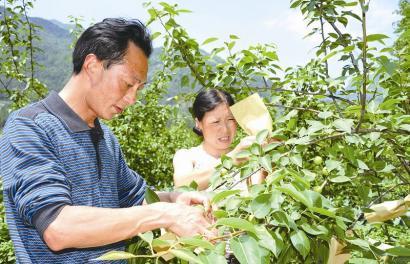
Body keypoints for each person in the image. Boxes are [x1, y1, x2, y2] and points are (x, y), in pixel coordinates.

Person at [0, 18, 213, 263]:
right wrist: (165, 214)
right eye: (127, 84)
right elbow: (58, 228)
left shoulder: (106, 139)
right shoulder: (29, 126)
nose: (133, 99)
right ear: (92, 66)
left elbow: (136, 198)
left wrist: (175, 199)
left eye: (139, 89)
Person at [173, 89, 265, 191]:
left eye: (230, 119)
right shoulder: (187, 156)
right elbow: (182, 186)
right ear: (198, 123)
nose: (225, 129)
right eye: (216, 122)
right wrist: (232, 160)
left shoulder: (247, 156)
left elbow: (258, 194)